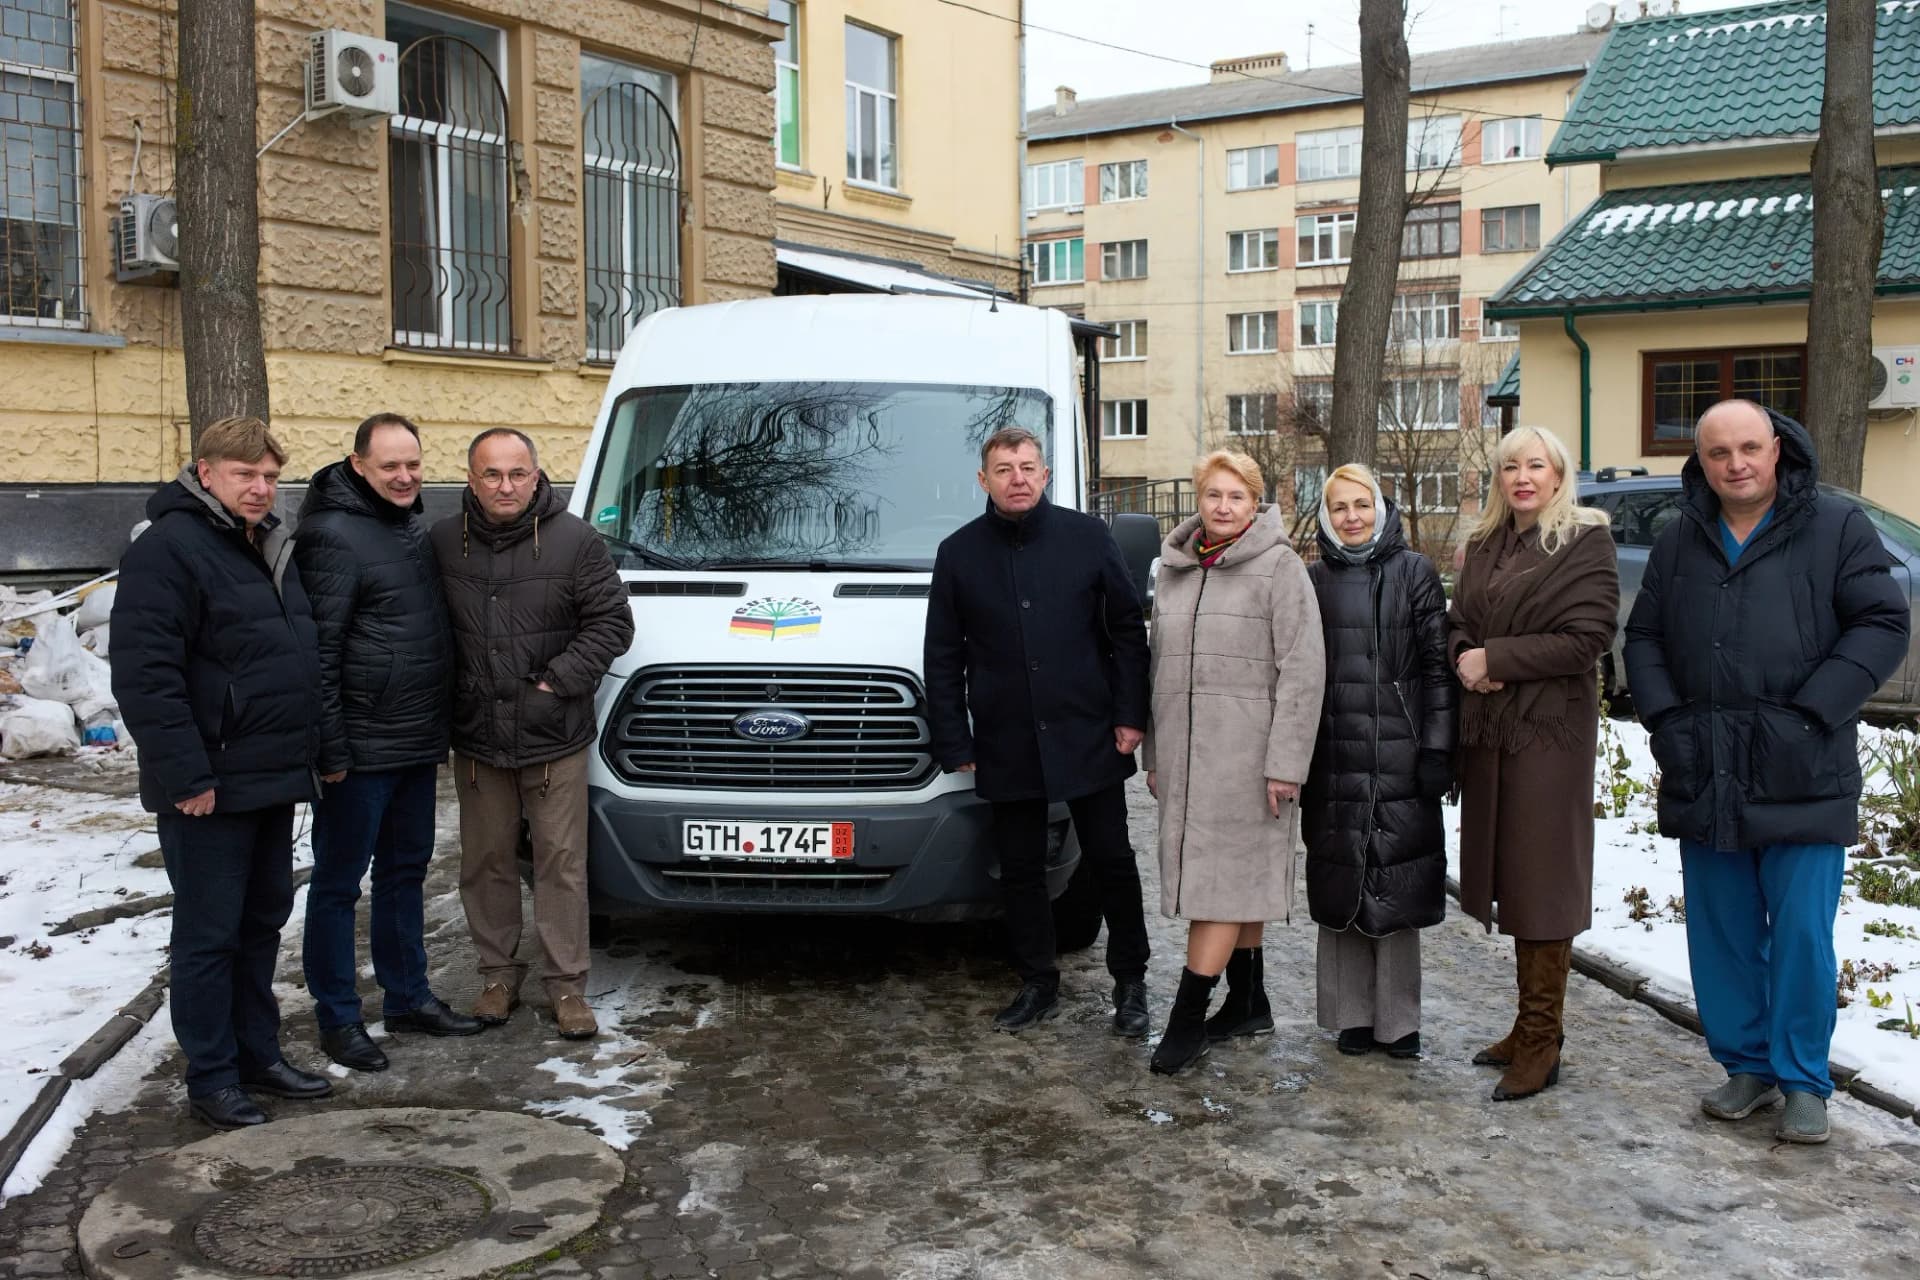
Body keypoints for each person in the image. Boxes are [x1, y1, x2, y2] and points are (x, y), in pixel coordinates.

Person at [1624, 401, 1907, 1144]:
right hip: (1705, 763)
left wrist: (1813, 713)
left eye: (1750, 447)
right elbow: (1645, 636)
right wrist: (1666, 722)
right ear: (1702, 460)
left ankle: (1804, 1079)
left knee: (1803, 935)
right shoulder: (1681, 537)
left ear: (1778, 449)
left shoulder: (1836, 527)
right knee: (1721, 932)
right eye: (1719, 453)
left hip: (1802, 765)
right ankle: (1747, 1066)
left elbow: (1882, 622)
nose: (1736, 464)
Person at [109, 417, 333, 1129]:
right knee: (208, 935)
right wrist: (185, 775)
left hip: (269, 775)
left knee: (262, 920)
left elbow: (290, 655)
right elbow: (147, 677)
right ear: (204, 473)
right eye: (246, 475)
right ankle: (210, 1076)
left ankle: (256, 1054)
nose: (261, 488)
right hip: (209, 786)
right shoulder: (169, 550)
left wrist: (316, 751)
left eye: (269, 476)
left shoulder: (262, 543)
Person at [924, 426, 1154, 1037]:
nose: (1018, 478)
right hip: (1006, 738)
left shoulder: (1087, 537)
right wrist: (954, 739)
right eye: (1005, 469)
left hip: (1091, 731)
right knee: (1020, 869)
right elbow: (943, 656)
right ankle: (1036, 981)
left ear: (1046, 474)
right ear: (984, 480)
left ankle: (1131, 982)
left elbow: (1129, 630)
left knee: (1112, 860)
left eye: (1028, 467)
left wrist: (1131, 715)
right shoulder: (959, 553)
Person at [431, 428, 635, 1040]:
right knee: (486, 862)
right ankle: (497, 976)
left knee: (562, 865)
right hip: (477, 738)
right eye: (491, 474)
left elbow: (611, 623)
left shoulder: (574, 541)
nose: (506, 486)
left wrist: (556, 682)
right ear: (471, 479)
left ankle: (566, 985)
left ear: (537, 474)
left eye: (517, 473)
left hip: (554, 737)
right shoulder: (442, 542)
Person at [294, 413, 482, 1073]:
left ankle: (408, 998)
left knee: (404, 876)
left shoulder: (406, 528)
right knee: (339, 884)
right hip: (359, 752)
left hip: (413, 742)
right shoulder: (331, 536)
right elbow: (318, 652)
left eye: (413, 464)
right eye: (389, 466)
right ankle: (339, 1018)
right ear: (357, 466)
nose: (404, 477)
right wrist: (332, 751)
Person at [1449, 425, 1617, 1102]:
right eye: (1509, 466)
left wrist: (1498, 660)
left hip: (1548, 738)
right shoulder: (1486, 543)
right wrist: (1467, 656)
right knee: (1513, 879)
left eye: (1535, 465)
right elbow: (1459, 618)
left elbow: (1588, 639)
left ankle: (1543, 1040)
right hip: (1492, 731)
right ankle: (1527, 1026)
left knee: (1543, 882)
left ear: (1558, 475)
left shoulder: (1585, 541)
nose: (1522, 476)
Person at [1142, 450, 1324, 1074]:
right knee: (1233, 883)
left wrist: (1286, 764)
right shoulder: (1175, 570)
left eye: (1237, 497)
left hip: (1251, 762)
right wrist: (1156, 754)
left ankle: (1186, 1018)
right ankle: (1248, 999)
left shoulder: (1280, 569)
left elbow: (1302, 671)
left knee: (1218, 889)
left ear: (1256, 504)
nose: (1223, 507)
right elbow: (1158, 669)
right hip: (1188, 761)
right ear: (1199, 499)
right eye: (1213, 495)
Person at [1302, 464, 1455, 1060]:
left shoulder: (1415, 572)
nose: (1352, 517)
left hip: (1400, 754)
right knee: (1341, 878)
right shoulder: (1312, 580)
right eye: (1339, 507)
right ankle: (1352, 1017)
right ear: (1325, 516)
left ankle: (1399, 1022)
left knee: (1396, 883)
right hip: (1333, 754)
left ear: (1382, 508)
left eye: (1362, 504)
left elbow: (1439, 669)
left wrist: (1438, 747)